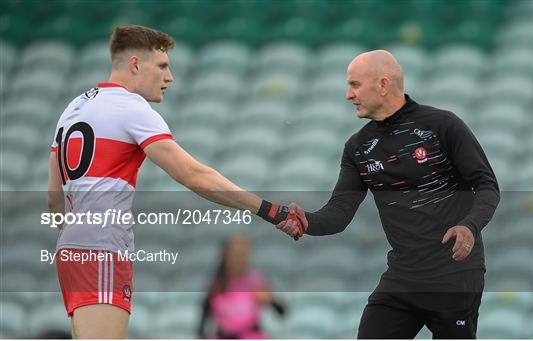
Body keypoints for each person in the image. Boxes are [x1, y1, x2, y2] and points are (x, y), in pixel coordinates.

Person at [47, 25, 306, 339]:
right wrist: (269, 210)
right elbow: (193, 175)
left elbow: (54, 199)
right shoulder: (131, 108)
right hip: (102, 249)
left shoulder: (73, 108)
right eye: (162, 66)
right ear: (134, 65)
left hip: (71, 250)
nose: (169, 77)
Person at [277, 50, 500, 338]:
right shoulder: (358, 146)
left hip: (454, 276)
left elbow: (487, 186)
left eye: (355, 85)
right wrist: (307, 220)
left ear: (383, 84)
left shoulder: (443, 125)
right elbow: (339, 213)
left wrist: (469, 226)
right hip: (402, 279)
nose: (348, 95)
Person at [197, 235, 286, 339]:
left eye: (243, 253)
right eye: (235, 253)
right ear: (225, 255)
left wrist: (272, 301)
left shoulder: (257, 281)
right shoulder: (216, 285)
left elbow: (282, 312)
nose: (239, 258)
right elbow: (202, 325)